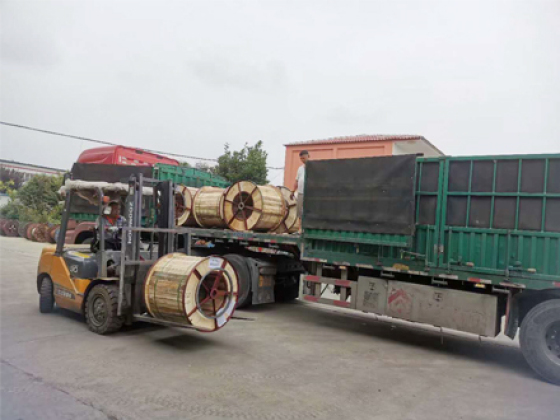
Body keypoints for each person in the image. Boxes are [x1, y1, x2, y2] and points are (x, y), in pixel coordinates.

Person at [291, 150, 309, 233]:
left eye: (304, 158)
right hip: (300, 192)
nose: (302, 160)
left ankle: (307, 228)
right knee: (299, 210)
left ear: (308, 156)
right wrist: (293, 191)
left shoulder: (312, 167)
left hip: (309, 193)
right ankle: (300, 229)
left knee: (307, 210)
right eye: (301, 158)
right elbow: (296, 180)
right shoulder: (300, 169)